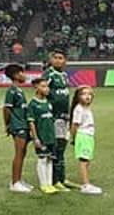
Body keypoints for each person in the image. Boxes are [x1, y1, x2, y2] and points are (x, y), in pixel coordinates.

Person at [43, 49, 75, 190]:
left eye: (60, 58)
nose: (57, 60)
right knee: (55, 148)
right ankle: (55, 180)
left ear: (65, 61)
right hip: (54, 117)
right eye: (55, 57)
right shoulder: (49, 74)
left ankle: (62, 178)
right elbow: (41, 90)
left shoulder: (64, 75)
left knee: (61, 148)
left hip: (64, 117)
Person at [3, 63, 33, 192]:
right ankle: (15, 182)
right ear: (16, 75)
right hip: (18, 126)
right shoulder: (12, 91)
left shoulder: (19, 90)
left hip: (23, 125)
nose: (24, 75)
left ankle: (19, 180)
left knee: (23, 153)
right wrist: (8, 124)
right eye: (22, 72)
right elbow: (6, 109)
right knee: (19, 153)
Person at [69, 85, 102, 195]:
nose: (87, 96)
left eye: (89, 94)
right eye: (84, 94)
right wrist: (73, 138)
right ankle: (85, 185)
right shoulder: (79, 109)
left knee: (87, 160)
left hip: (88, 136)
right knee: (84, 161)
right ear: (78, 97)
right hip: (83, 136)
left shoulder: (86, 108)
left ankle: (86, 182)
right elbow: (75, 125)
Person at [27, 76, 57, 193]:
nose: (47, 89)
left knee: (50, 159)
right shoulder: (33, 104)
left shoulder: (48, 103)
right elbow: (31, 122)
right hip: (41, 137)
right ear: (36, 87)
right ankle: (43, 184)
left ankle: (49, 183)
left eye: (47, 86)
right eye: (43, 86)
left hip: (50, 136)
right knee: (42, 159)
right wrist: (35, 138)